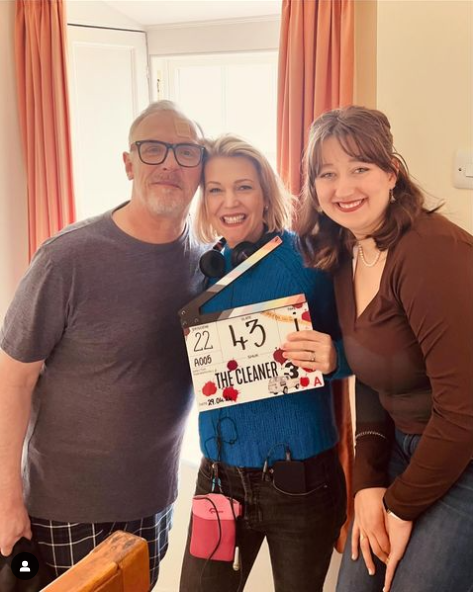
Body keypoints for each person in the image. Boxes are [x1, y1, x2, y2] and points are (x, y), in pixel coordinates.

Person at [0, 100, 206, 588]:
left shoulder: (203, 261)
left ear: (201, 169)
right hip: (66, 508)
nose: (170, 164)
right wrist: (7, 494)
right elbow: (14, 378)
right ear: (129, 163)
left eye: (186, 152)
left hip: (155, 498)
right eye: (153, 149)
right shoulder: (67, 258)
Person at [288, 105, 473, 592]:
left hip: (464, 453)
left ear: (391, 174)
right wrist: (369, 483)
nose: (343, 188)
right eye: (327, 174)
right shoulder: (348, 248)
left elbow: (464, 411)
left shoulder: (430, 252)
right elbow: (371, 374)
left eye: (360, 169)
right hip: (402, 450)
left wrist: (398, 505)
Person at [179, 135, 349, 592]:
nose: (229, 202)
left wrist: (337, 356)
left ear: (266, 194)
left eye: (244, 187)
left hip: (300, 481)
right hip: (217, 477)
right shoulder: (200, 269)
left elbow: (361, 344)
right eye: (215, 189)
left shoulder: (310, 259)